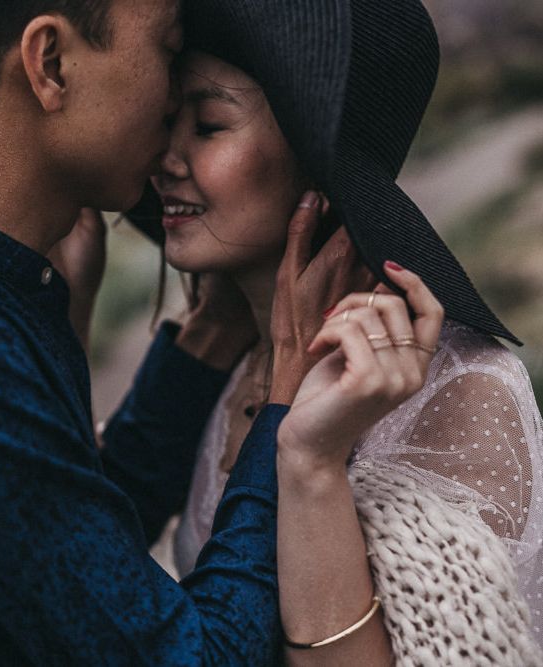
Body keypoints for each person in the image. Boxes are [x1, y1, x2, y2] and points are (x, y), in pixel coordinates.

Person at [0, 0, 436, 665]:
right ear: (49, 63)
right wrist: (284, 403)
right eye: (167, 53)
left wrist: (202, 350)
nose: (170, 102)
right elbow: (194, 656)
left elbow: (64, 556)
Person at [127, 0, 543, 662]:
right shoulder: (231, 367)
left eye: (206, 124)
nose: (164, 159)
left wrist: (310, 466)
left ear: (314, 164)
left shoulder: (457, 390)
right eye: (167, 119)